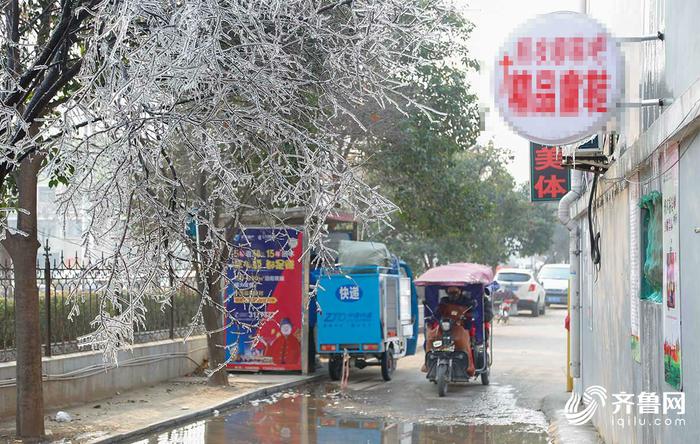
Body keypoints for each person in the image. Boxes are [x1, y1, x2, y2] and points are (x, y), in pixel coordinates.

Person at [422, 286, 476, 376]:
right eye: (450, 292)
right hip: (446, 327)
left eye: (455, 291)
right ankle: (428, 363)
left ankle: (469, 366)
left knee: (464, 341)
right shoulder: (444, 301)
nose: (453, 294)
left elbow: (471, 315)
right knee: (430, 339)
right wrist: (431, 319)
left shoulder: (467, 301)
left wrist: (469, 316)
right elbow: (437, 313)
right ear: (447, 292)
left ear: (460, 291)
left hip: (461, 327)